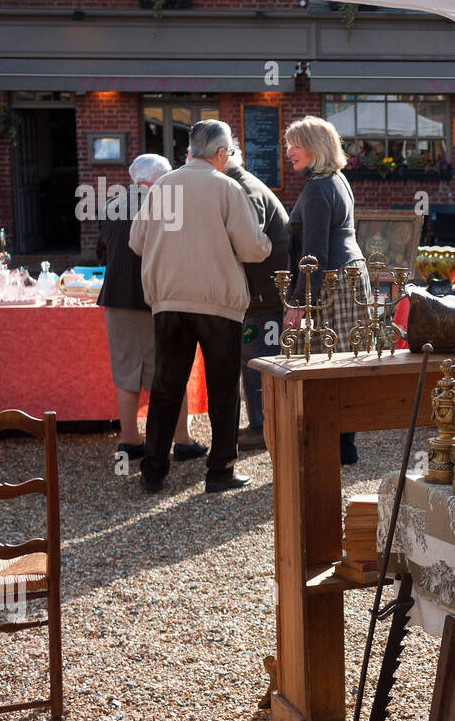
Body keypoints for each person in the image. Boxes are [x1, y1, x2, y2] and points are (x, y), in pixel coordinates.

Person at [129, 120, 272, 493]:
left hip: (169, 300)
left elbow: (136, 241)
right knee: (224, 387)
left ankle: (154, 470)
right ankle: (220, 471)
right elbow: (253, 249)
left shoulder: (163, 185)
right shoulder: (227, 187)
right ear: (221, 154)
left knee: (166, 385)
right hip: (217, 303)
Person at [95, 153, 204, 466]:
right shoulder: (169, 208)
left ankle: (129, 440)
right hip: (162, 299)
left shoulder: (111, 207)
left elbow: (102, 254)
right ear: (162, 179)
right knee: (172, 371)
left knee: (127, 374)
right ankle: (181, 440)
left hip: (118, 299)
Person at [283, 115, 372, 466]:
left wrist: (297, 303)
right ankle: (343, 447)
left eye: (296, 145)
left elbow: (313, 256)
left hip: (332, 279)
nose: (289, 152)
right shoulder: (337, 180)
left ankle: (336, 449)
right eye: (288, 144)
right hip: (349, 274)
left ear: (316, 148)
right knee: (343, 361)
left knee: (327, 362)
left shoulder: (318, 188)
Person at [221, 148, 290, 450]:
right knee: (257, 358)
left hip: (264, 294)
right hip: (263, 291)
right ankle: (263, 424)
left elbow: (250, 241)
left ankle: (261, 427)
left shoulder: (243, 189)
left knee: (256, 360)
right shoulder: (241, 184)